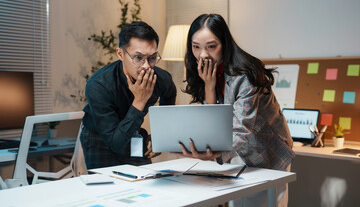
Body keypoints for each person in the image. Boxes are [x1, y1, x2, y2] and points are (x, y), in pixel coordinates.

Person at [178, 14, 295, 206]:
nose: (203, 55)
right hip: (238, 152)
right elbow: (214, 122)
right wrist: (209, 86)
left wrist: (213, 153)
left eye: (211, 46)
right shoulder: (207, 70)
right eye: (196, 47)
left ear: (224, 44)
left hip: (268, 152)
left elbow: (241, 130)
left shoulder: (246, 75)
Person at [80, 21, 177, 169]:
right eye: (138, 57)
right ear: (120, 54)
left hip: (134, 133)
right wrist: (140, 100)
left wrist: (161, 135)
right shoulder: (99, 85)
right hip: (99, 139)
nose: (146, 66)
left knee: (145, 181)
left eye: (152, 57)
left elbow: (169, 95)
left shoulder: (161, 79)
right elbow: (115, 143)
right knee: (106, 188)